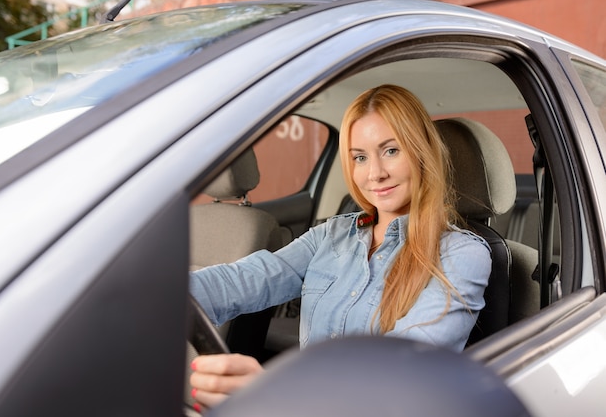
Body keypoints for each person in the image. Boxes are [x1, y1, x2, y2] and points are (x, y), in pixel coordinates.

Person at [188, 84, 492, 412]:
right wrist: (151, 292)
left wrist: (278, 394)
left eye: (391, 150)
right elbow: (244, 280)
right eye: (360, 157)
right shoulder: (332, 235)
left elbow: (403, 372)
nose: (375, 173)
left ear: (420, 152)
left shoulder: (462, 255)